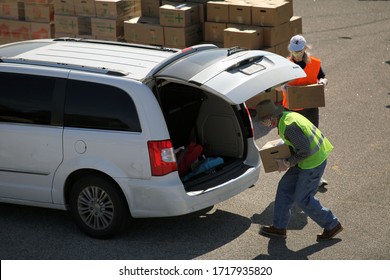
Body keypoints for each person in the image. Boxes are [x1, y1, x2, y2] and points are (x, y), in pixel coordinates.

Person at [256, 99, 343, 241]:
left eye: (263, 120)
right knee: (284, 188)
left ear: (271, 118)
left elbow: (305, 151)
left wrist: (287, 163)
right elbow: (298, 144)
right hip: (307, 161)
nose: (262, 124)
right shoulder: (286, 117)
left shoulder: (289, 126)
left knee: (303, 199)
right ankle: (279, 228)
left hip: (313, 162)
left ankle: (332, 224)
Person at [282, 34, 329, 188]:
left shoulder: (314, 63)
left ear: (305, 49)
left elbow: (323, 77)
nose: (297, 54)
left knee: (313, 140)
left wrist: (322, 82)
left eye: (300, 51)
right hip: (291, 111)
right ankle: (296, 174)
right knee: (294, 143)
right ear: (290, 50)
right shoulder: (285, 65)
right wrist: (283, 88)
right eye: (294, 51)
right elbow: (277, 84)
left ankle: (316, 175)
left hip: (310, 109)